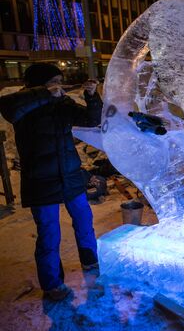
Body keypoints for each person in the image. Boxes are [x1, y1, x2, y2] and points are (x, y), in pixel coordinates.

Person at [0, 63, 103, 301]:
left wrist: (91, 96)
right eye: (53, 81)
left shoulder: (61, 103)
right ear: (39, 84)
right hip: (41, 181)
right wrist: (45, 94)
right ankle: (52, 284)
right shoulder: (20, 104)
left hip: (70, 177)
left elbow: (90, 119)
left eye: (59, 80)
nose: (59, 84)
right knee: (49, 233)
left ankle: (91, 265)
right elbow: (9, 110)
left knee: (85, 222)